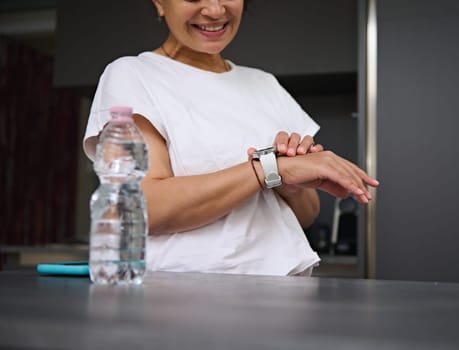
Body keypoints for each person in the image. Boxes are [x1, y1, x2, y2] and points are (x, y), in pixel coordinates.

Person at [83, 0, 379, 276]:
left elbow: (306, 214)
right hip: (184, 296)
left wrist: (289, 185)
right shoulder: (132, 75)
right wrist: (269, 169)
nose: (214, 10)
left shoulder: (264, 85)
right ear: (160, 3)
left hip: (284, 291)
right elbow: (144, 206)